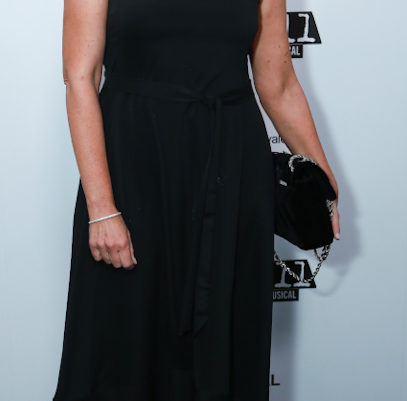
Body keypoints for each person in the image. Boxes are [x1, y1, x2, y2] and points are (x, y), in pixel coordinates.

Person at [53, 0, 340, 399]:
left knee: (224, 338)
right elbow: (80, 77)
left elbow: (279, 85)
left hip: (232, 173)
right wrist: (101, 208)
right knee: (122, 343)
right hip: (135, 172)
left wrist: (323, 184)